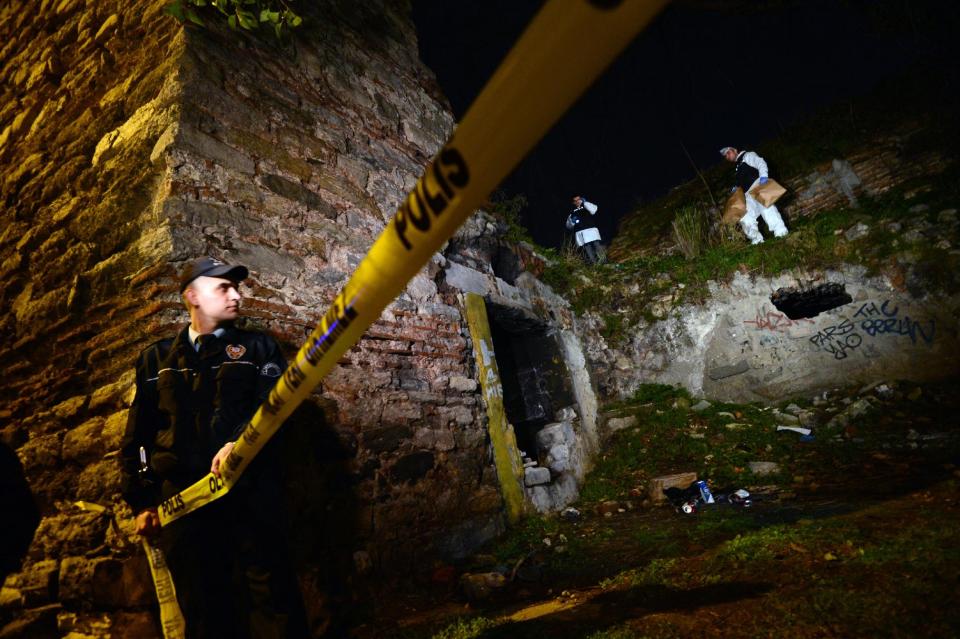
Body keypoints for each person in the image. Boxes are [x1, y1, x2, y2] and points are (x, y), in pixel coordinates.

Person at [119, 256, 307, 639]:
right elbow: (138, 436)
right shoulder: (156, 359)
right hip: (184, 503)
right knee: (204, 608)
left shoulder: (259, 349)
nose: (236, 295)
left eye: (236, 287)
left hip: (249, 489)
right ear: (192, 295)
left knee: (273, 598)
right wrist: (142, 501)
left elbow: (273, 406)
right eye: (223, 287)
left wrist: (239, 442)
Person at [721, 146, 789, 244]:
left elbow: (760, 162)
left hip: (757, 185)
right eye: (725, 156)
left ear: (735, 150)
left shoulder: (747, 155)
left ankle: (781, 233)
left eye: (728, 152)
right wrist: (735, 188)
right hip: (747, 196)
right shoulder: (737, 169)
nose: (727, 156)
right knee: (745, 217)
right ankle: (757, 241)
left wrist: (763, 176)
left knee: (766, 209)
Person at [566, 195, 603, 264]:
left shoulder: (586, 206)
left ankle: (604, 262)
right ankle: (595, 265)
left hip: (592, 230)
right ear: (573, 203)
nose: (577, 201)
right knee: (587, 249)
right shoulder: (572, 212)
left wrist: (585, 202)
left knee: (597, 245)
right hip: (582, 233)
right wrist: (572, 222)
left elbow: (594, 210)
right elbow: (568, 226)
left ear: (581, 199)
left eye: (579, 199)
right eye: (575, 201)